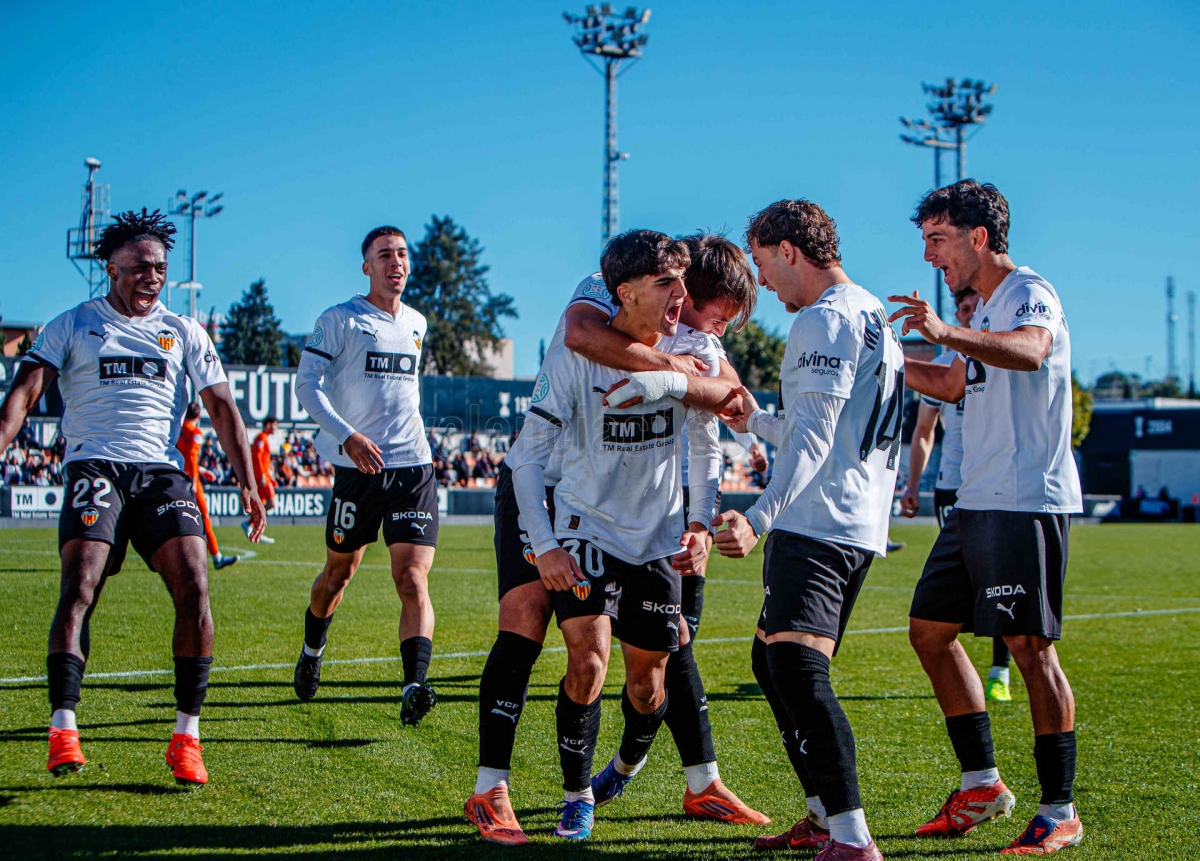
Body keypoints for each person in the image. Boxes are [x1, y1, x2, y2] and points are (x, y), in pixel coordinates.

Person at [464, 233, 766, 845]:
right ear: (628, 291)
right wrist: (544, 542)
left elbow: (729, 404)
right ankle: (497, 787)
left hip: (647, 525)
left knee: (659, 660)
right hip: (560, 497)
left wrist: (701, 520)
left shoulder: (696, 344)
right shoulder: (592, 306)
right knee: (542, 628)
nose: (712, 329)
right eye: (716, 317)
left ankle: (671, 774)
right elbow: (577, 336)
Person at [0, 209, 266, 786]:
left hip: (158, 474)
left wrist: (247, 480)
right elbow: (24, 392)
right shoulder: (72, 324)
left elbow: (222, 407)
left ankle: (186, 737)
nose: (153, 277)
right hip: (95, 465)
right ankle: (64, 726)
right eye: (142, 267)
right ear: (111, 267)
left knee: (196, 585)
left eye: (161, 268)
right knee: (82, 586)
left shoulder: (185, 332)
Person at [890, 180, 1083, 855]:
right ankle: (981, 784)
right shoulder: (982, 310)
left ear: (978, 237)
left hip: (1025, 499)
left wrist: (945, 332)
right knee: (929, 630)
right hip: (974, 502)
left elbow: (1030, 349)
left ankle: (1059, 808)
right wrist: (887, 357)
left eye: (937, 241)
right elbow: (946, 383)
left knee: (1031, 651)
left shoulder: (1028, 291)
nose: (930, 257)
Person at [715, 199, 901, 861]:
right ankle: (824, 814)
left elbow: (816, 441)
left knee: (796, 665)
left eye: (764, 263)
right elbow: (826, 430)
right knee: (771, 661)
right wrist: (756, 422)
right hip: (852, 518)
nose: (763, 282)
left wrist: (757, 518)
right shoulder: (873, 313)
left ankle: (851, 838)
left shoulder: (823, 319)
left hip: (820, 521)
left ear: (790, 250)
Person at [293, 225, 439, 728]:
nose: (395, 262)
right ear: (366, 266)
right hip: (357, 469)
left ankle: (414, 685)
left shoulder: (418, 322)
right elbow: (306, 385)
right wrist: (348, 436)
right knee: (338, 575)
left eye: (402, 254)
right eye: (384, 255)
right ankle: (313, 649)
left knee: (412, 578)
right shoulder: (339, 320)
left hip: (412, 467)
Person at [899, 287, 1013, 702]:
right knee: (956, 589)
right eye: (962, 308)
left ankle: (1000, 669)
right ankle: (956, 667)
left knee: (996, 583)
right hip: (953, 486)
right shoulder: (947, 364)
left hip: (999, 488)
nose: (967, 313)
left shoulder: (1002, 355)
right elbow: (924, 431)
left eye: (973, 308)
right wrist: (913, 485)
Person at [176, 402, 239, 570]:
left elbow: (184, 457)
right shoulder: (196, 432)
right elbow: (191, 457)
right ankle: (216, 556)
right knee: (204, 518)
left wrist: (202, 471)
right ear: (198, 415)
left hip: (176, 478)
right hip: (191, 481)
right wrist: (196, 480)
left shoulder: (178, 429)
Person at [243, 416, 278, 544]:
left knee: (263, 503)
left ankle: (254, 526)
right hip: (261, 477)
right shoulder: (261, 438)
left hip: (264, 476)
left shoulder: (264, 438)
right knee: (271, 503)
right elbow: (257, 457)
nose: (276, 428)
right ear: (268, 424)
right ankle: (250, 523)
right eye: (274, 425)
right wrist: (263, 475)